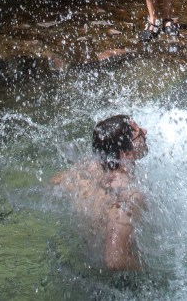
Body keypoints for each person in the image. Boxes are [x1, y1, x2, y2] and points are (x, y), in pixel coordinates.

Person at [51, 115, 149, 272]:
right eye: (139, 134)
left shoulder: (83, 174)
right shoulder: (127, 196)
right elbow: (114, 261)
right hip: (119, 283)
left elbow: (54, 181)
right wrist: (153, 269)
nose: (145, 131)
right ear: (126, 152)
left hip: (83, 267)